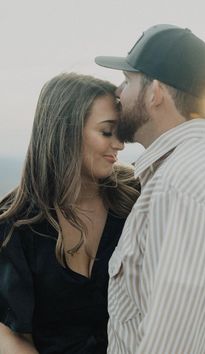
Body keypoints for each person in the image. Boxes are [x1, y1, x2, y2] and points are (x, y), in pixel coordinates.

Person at [95, 24, 205, 353]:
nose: (119, 91)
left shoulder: (179, 187)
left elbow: (173, 343)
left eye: (129, 81)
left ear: (155, 92)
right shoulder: (200, 167)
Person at [0, 72, 140, 354]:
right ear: (66, 130)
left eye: (120, 133)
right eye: (106, 132)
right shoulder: (14, 224)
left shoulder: (137, 198)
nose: (119, 145)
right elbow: (12, 334)